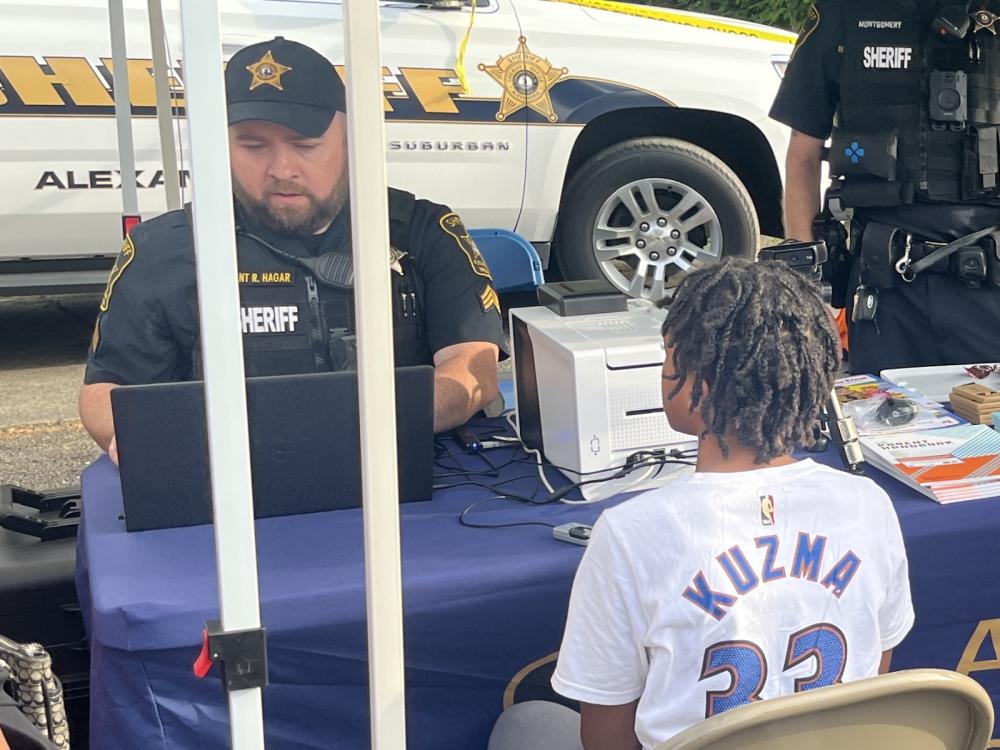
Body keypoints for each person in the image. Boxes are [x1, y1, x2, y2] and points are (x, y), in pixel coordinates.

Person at [488, 259, 914, 750]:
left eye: (670, 358)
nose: (663, 370)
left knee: (524, 725)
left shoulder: (629, 531)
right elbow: (874, 676)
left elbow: (606, 736)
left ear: (700, 386)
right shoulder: (869, 503)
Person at [79, 37, 506, 457]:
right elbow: (105, 391)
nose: (282, 169)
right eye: (253, 145)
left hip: (401, 474)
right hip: (226, 488)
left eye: (305, 146)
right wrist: (145, 437)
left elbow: (473, 368)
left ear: (349, 142)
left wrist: (363, 423)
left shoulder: (421, 231)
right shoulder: (160, 251)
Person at [771, 1, 1000, 375]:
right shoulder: (842, 12)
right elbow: (803, 158)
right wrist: (808, 294)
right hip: (885, 294)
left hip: (991, 284)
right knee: (882, 425)